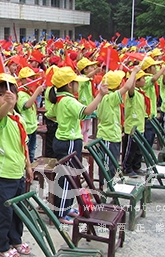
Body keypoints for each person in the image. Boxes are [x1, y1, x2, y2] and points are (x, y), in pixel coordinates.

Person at [48, 66, 107, 224]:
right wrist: (100, 95)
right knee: (67, 178)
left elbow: (51, 115)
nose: (78, 85)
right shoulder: (67, 100)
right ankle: (60, 212)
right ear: (69, 85)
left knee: (71, 177)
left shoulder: (61, 99)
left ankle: (66, 208)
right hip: (68, 142)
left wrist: (65, 123)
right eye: (75, 82)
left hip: (67, 140)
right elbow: (86, 111)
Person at [0, 74, 34, 257]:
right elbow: (2, 113)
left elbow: (24, 145)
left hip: (18, 172)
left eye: (10, 93)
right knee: (3, 213)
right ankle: (2, 246)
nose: (6, 97)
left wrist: (28, 167)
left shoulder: (19, 119)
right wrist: (7, 104)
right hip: (2, 173)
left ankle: (16, 239)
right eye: (0, 95)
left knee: (18, 210)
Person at [96, 67, 139, 179]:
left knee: (112, 164)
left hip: (112, 135)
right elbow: (127, 87)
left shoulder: (107, 97)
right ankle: (105, 187)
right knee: (107, 166)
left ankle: (108, 184)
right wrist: (134, 72)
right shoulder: (110, 97)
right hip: (108, 136)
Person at [16, 67, 44, 162]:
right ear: (22, 80)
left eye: (33, 78)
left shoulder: (29, 91)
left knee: (32, 152)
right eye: (30, 78)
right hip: (26, 128)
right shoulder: (20, 93)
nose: (32, 80)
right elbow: (26, 105)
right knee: (26, 153)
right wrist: (36, 93)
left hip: (32, 127)